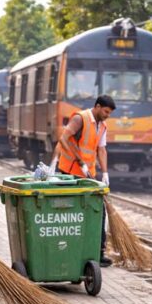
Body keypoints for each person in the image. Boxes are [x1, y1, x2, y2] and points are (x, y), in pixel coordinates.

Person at [50, 94, 115, 267]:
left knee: (98, 211)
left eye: (110, 113)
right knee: (69, 212)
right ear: (98, 106)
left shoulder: (103, 126)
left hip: (88, 175)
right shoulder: (80, 118)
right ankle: (63, 248)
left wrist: (105, 173)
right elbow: (63, 138)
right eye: (106, 111)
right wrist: (80, 162)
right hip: (69, 172)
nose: (108, 115)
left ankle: (99, 253)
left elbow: (101, 150)